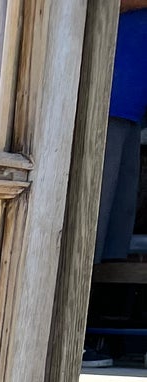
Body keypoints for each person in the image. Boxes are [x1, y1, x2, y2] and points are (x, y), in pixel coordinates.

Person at [96, 0, 147, 267]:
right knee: (90, 228)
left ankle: (104, 305)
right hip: (105, 103)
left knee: (116, 238)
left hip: (132, 108)